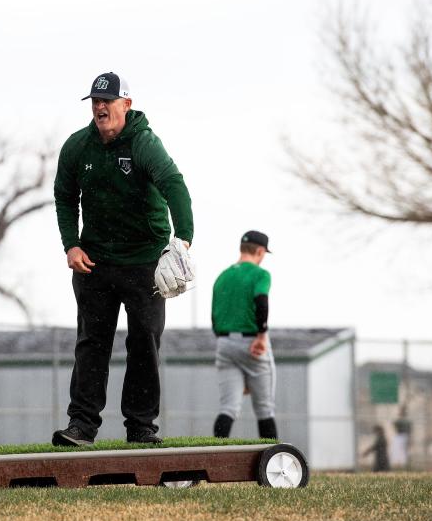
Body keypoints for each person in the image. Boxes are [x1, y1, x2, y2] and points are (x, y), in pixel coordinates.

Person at [52, 72, 194, 446]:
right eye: (96, 101)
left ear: (125, 105)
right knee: (91, 343)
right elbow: (65, 196)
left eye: (108, 101)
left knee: (144, 342)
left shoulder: (144, 144)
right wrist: (71, 245)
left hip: (144, 262)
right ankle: (82, 425)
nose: (100, 107)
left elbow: (174, 185)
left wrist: (184, 240)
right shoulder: (77, 147)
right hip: (94, 262)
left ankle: (141, 427)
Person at [211, 230, 277, 440]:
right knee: (264, 409)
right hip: (252, 344)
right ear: (259, 251)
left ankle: (215, 457)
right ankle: (273, 463)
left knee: (228, 408)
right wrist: (261, 334)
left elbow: (214, 317)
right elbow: (261, 301)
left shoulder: (223, 276)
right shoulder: (260, 274)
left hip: (224, 344)